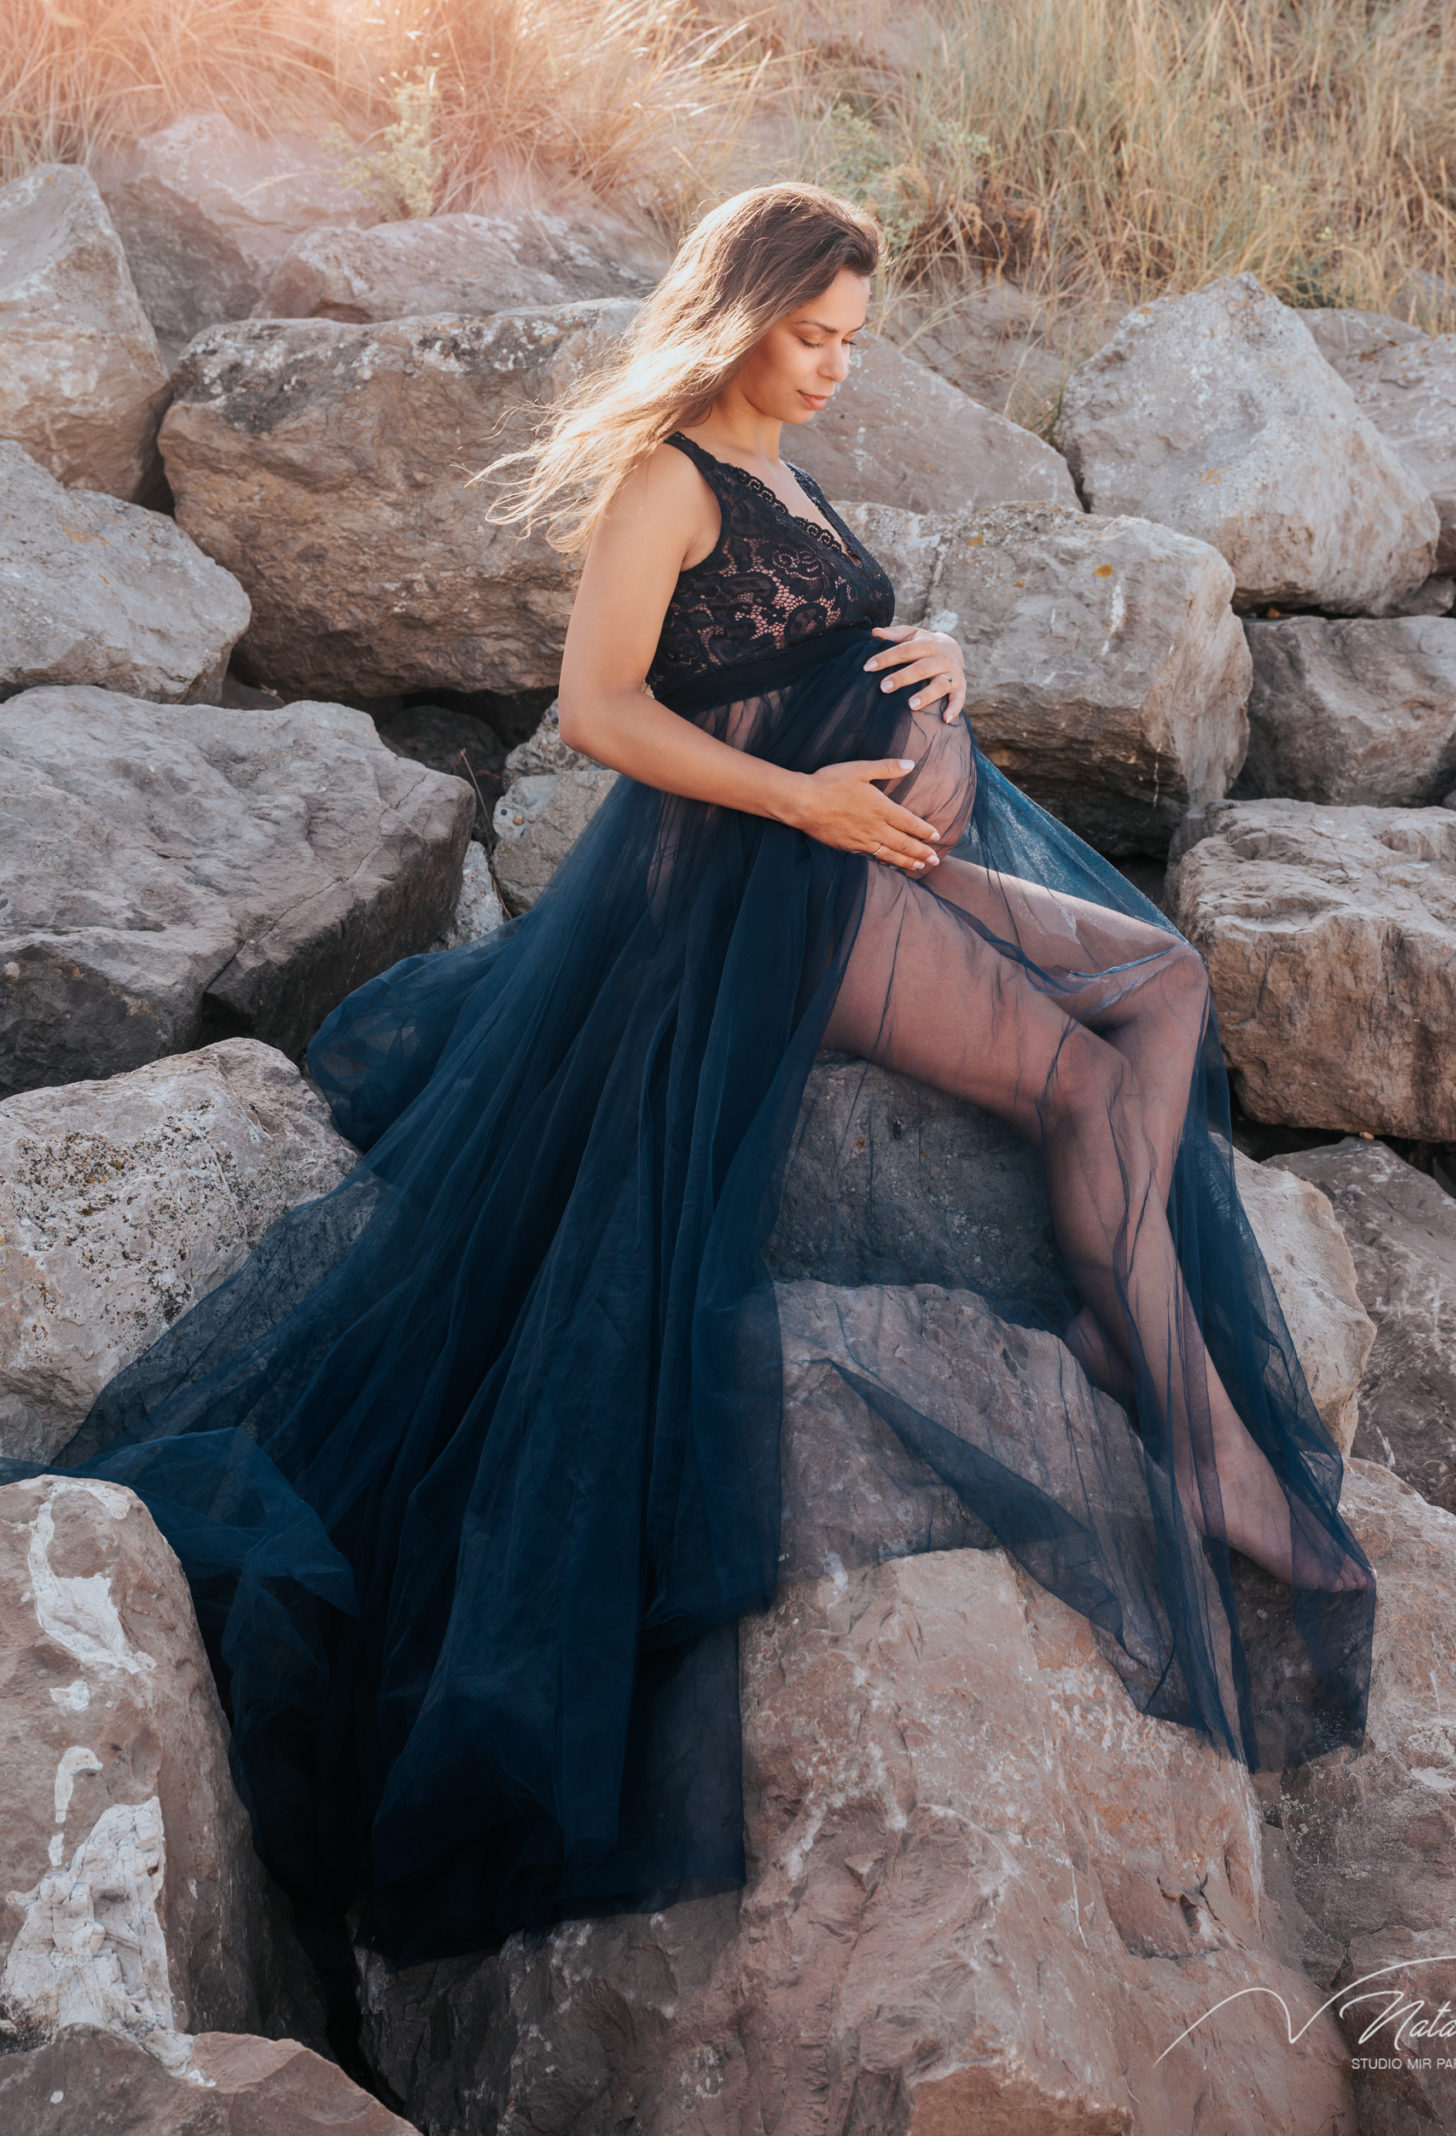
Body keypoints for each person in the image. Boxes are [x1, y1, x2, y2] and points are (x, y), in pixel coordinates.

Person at [7, 183, 1373, 1972]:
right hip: (769, 896)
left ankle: (1135, 1341)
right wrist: (812, 797)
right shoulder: (669, 478)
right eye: (813, 337)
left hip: (862, 848)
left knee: (1165, 982)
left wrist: (945, 679)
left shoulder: (797, 479)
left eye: (854, 347)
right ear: (742, 312)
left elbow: (831, 656)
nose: (832, 372)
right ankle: (1191, 1427)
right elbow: (602, 711)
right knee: (1080, 1068)